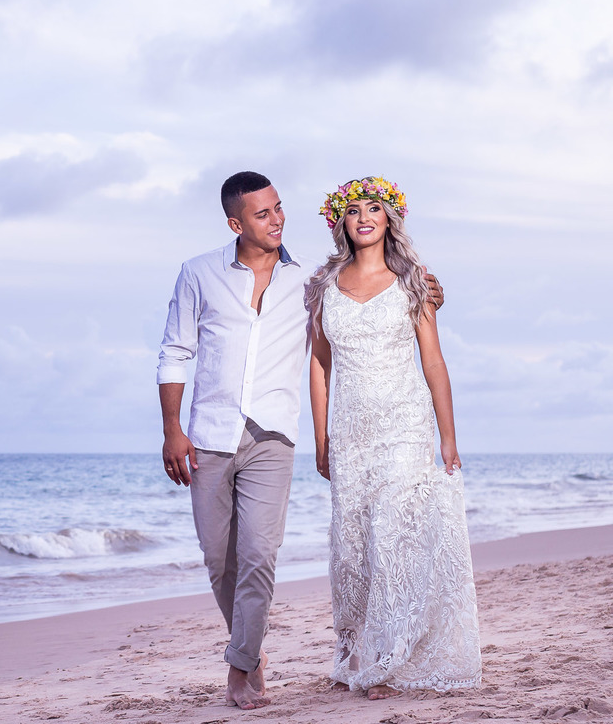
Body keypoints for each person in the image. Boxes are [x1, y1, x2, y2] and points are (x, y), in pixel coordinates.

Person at [156, 171, 444, 709]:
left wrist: (431, 292)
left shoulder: (308, 283)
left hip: (273, 435)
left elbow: (366, 301)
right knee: (220, 560)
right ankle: (252, 647)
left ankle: (240, 667)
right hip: (210, 434)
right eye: (263, 214)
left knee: (260, 555)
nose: (277, 219)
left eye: (279, 208)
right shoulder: (197, 274)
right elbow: (175, 351)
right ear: (235, 222)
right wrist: (172, 429)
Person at [306, 177, 482, 700]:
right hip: (351, 430)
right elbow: (319, 366)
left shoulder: (414, 283)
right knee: (354, 543)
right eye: (354, 209)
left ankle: (386, 660)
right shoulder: (321, 286)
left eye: (374, 208)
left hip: (405, 425)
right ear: (340, 220)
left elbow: (433, 360)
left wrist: (448, 437)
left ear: (389, 219)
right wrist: (322, 439)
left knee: (394, 539)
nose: (364, 217)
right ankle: (357, 651)